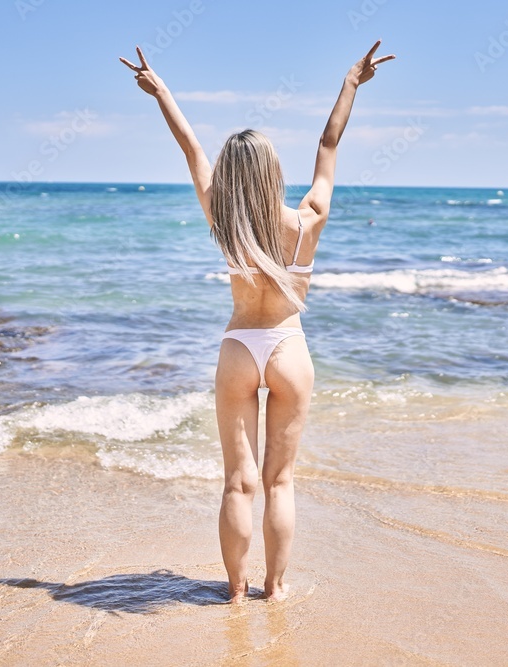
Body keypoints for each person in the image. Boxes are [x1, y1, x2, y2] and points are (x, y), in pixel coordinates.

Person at [120, 40, 395, 603]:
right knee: (279, 482)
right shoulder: (308, 220)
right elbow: (328, 142)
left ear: (234, 176)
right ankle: (274, 589)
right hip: (290, 349)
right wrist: (350, 83)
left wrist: (161, 92)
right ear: (273, 173)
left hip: (239, 347)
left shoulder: (224, 219)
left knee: (237, 483)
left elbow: (191, 150)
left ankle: (235, 592)